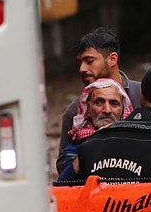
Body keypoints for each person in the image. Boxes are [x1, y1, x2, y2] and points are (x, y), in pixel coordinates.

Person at [56, 27, 141, 175]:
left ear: (112, 59)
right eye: (98, 102)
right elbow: (64, 168)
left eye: (89, 61)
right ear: (88, 107)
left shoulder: (142, 95)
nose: (82, 68)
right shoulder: (75, 111)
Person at [56, 78, 133, 181]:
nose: (107, 110)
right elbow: (62, 185)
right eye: (99, 102)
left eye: (114, 103)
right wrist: (94, 143)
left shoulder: (135, 141)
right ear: (88, 110)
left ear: (123, 110)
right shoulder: (76, 147)